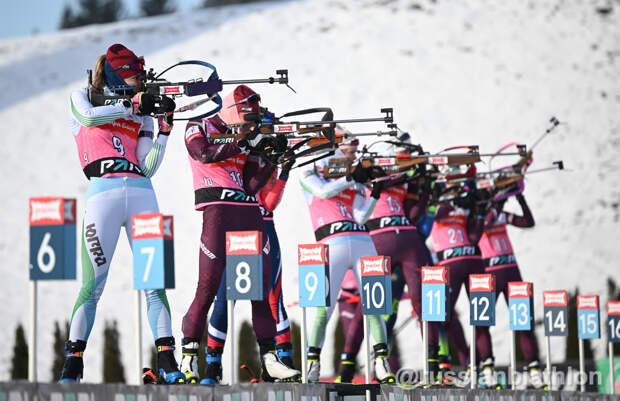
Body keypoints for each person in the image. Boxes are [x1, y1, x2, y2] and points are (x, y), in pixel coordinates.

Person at [60, 44, 183, 383]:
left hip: (142, 194)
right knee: (93, 285)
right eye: (134, 75)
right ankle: (72, 364)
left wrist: (165, 132)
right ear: (116, 74)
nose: (140, 82)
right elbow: (88, 117)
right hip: (104, 193)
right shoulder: (81, 96)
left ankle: (168, 363)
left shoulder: (141, 113)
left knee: (154, 285)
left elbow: (148, 166)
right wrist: (129, 105)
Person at [179, 85, 299, 383]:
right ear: (233, 111)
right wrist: (244, 143)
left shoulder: (246, 135)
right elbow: (202, 153)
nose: (250, 125)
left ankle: (269, 359)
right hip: (217, 213)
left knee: (260, 292)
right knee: (207, 288)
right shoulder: (200, 124)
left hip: (248, 213)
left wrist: (273, 160)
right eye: (247, 119)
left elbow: (250, 185)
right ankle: (189, 358)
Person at [299, 129, 395, 383]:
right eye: (347, 149)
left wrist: (375, 191)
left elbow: (362, 216)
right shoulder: (310, 170)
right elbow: (322, 192)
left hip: (364, 240)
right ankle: (312, 363)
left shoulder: (353, 177)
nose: (350, 155)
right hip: (331, 242)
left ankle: (382, 363)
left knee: (376, 305)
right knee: (324, 309)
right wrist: (350, 177)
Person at [202, 159, 297, 383]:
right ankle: (213, 366)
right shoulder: (236, 149)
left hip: (263, 225)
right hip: (235, 224)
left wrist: (283, 172)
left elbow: (269, 204)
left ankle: (282, 360)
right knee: (223, 299)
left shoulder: (268, 157)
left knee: (272, 298)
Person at [429, 181, 498, 388]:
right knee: (442, 315)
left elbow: (475, 237)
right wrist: (453, 200)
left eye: (456, 190)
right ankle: (449, 364)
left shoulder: (464, 208)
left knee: (481, 318)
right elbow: (434, 212)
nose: (455, 193)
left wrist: (477, 212)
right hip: (450, 264)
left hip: (473, 262)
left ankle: (487, 369)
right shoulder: (438, 206)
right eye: (451, 190)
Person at [478, 191, 545, 389]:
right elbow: (486, 222)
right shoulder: (478, 216)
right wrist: (497, 202)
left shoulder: (500, 214)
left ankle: (535, 373)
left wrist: (520, 198)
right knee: (482, 324)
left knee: (524, 322)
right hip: (489, 272)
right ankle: (488, 372)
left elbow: (528, 222)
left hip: (511, 270)